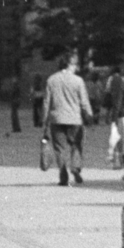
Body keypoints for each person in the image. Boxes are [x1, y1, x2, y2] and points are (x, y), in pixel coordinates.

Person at [42, 52, 93, 186]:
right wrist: (89, 114)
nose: (76, 67)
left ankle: (63, 173)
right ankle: (75, 168)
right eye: (75, 64)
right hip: (75, 119)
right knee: (76, 145)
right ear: (70, 65)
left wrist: (44, 120)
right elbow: (84, 101)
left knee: (60, 148)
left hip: (56, 119)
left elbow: (46, 102)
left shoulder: (51, 80)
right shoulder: (78, 80)